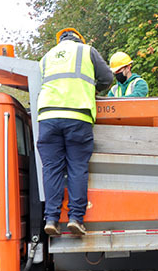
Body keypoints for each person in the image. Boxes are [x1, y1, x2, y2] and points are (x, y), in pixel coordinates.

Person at [37, 28, 113, 236]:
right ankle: (76, 219)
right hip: (77, 115)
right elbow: (107, 78)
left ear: (59, 40)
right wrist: (92, 90)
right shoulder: (86, 51)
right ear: (80, 38)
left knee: (51, 169)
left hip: (48, 118)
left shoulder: (45, 58)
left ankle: (51, 219)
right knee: (76, 167)